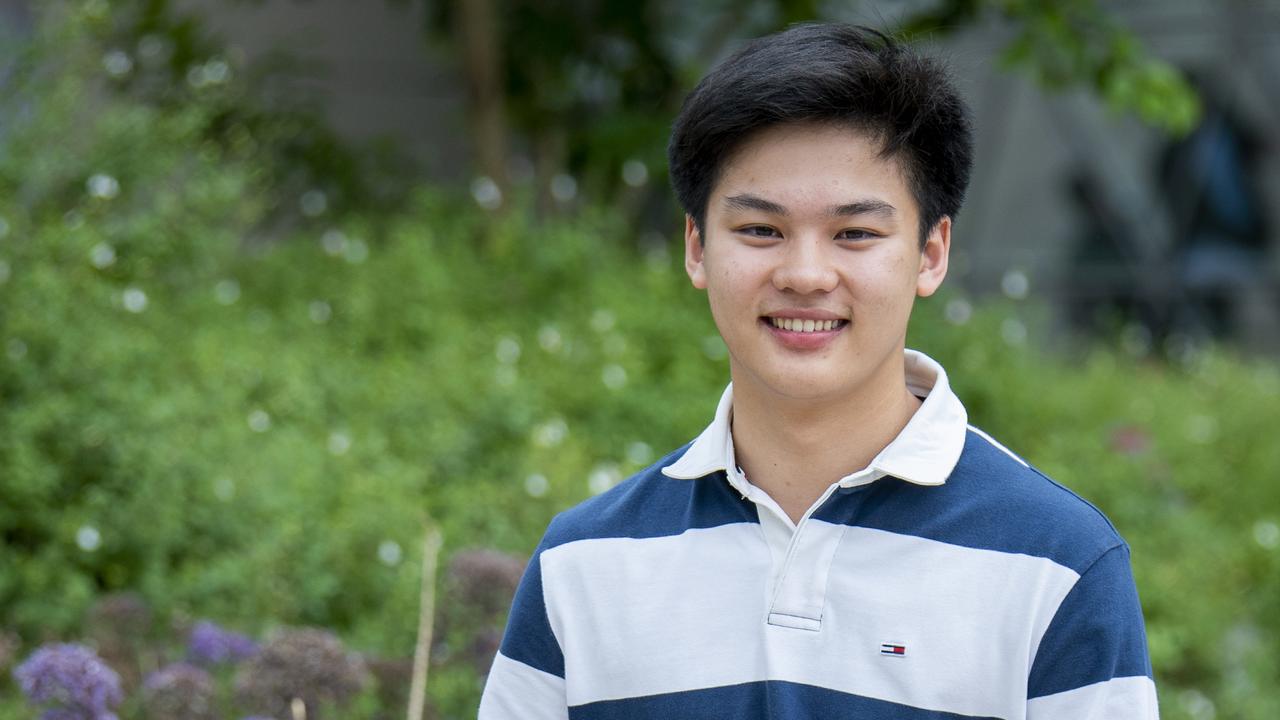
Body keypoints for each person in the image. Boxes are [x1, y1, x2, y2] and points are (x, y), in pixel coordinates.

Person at [479, 23, 1157, 719]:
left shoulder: (1059, 564)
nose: (805, 275)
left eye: (855, 234)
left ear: (930, 253)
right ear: (696, 248)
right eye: (760, 231)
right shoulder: (582, 565)